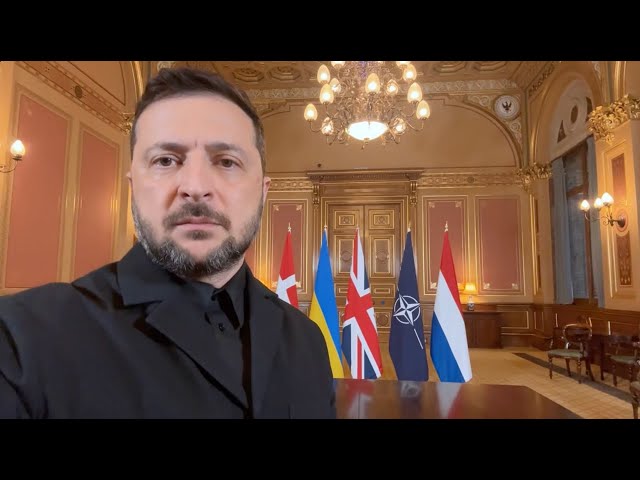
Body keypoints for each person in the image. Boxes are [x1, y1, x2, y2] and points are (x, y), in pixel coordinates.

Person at [0, 67, 336, 419]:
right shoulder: (23, 341)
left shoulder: (307, 340)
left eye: (227, 162)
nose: (195, 186)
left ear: (263, 193)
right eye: (166, 160)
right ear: (133, 188)